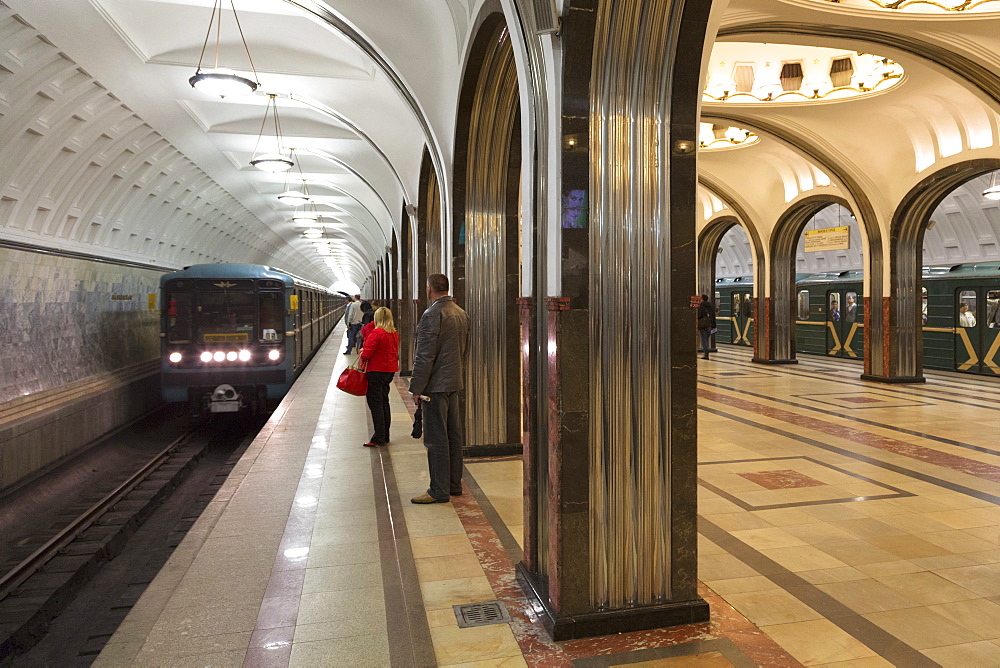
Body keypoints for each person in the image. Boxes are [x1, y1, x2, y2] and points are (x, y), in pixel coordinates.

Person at [409, 273, 470, 504]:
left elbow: (424, 356)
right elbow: (465, 350)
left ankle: (438, 490)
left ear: (429, 289)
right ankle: (454, 485)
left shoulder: (432, 314)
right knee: (454, 436)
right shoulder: (460, 312)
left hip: (434, 387)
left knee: (436, 439)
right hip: (454, 382)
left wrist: (416, 388)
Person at [359, 307, 399, 448]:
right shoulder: (393, 333)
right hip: (389, 371)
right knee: (384, 402)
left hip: (376, 371)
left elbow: (366, 355)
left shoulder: (377, 333)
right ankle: (385, 435)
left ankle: (378, 437)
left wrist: (362, 351)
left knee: (375, 405)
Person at [696, 294, 716, 361]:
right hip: (709, 325)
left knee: (704, 339)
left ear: (702, 299)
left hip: (703, 325)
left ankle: (706, 353)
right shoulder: (710, 306)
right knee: (706, 339)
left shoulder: (701, 306)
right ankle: (706, 351)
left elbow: (699, 315)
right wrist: (714, 326)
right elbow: (713, 316)